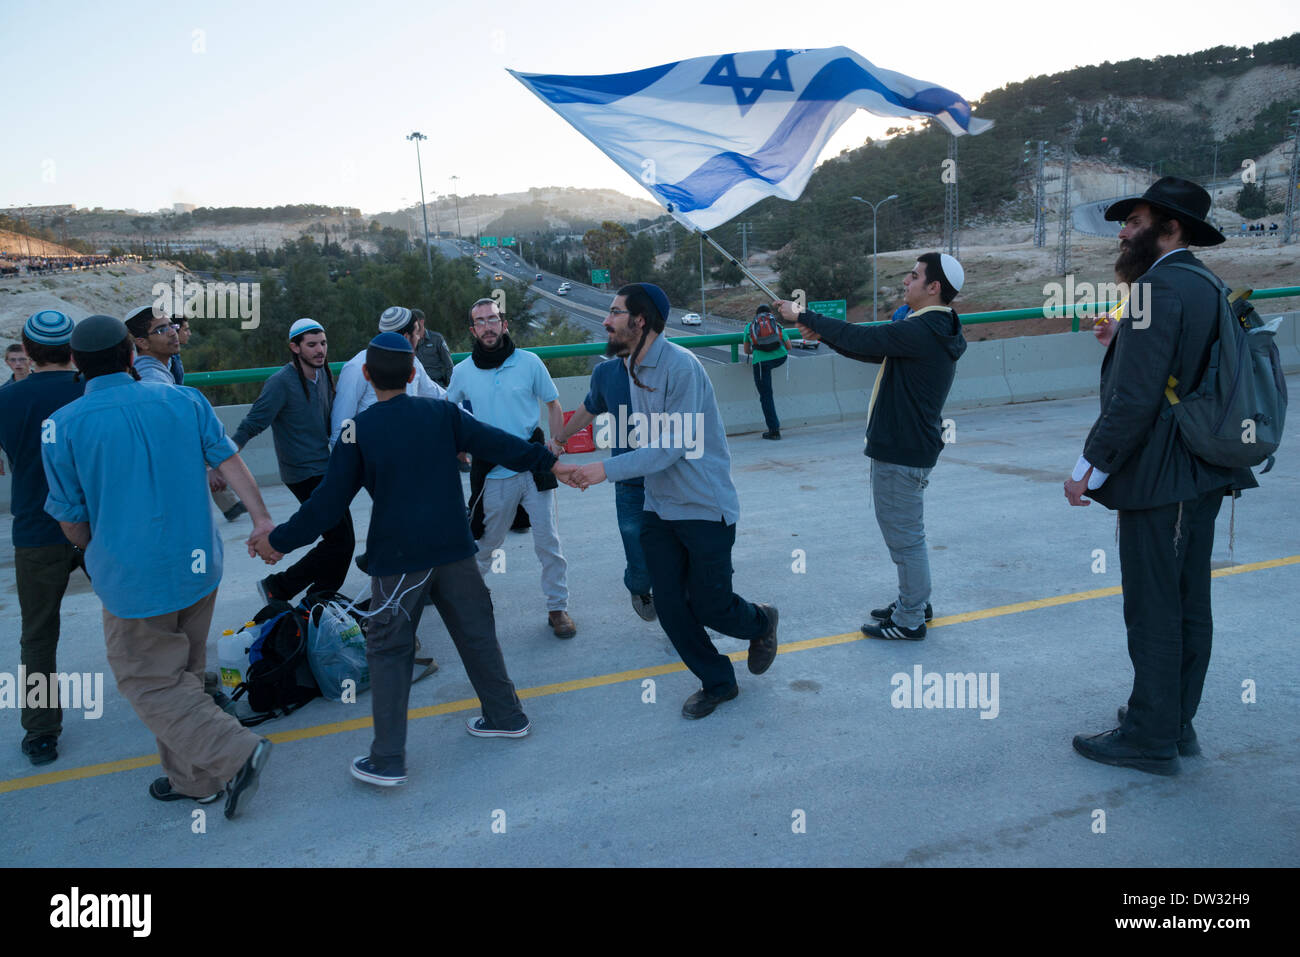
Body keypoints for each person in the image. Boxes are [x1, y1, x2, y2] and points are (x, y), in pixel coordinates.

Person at [250, 333, 578, 786]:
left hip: (399, 561)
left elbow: (326, 505)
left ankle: (387, 760)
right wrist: (551, 462)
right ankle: (506, 716)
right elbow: (500, 444)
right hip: (455, 549)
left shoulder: (357, 430)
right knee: (477, 635)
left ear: (366, 375)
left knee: (388, 652)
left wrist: (278, 541)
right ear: (412, 375)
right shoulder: (442, 413)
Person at [41, 315, 274, 817]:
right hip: (198, 567)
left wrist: (90, 548)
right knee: (183, 674)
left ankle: (234, 752)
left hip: (132, 579)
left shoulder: (62, 425)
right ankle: (194, 780)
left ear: (77, 364)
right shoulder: (185, 400)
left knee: (147, 681)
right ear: (131, 355)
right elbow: (229, 461)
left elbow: (71, 517)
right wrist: (260, 519)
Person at [1066, 177, 1257, 777]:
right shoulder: (1203, 283)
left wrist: (1087, 468)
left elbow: (1134, 399)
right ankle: (1176, 723)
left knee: (1154, 608)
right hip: (1203, 468)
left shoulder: (1155, 288)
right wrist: (1122, 335)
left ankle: (1149, 736)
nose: (1122, 232)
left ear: (1169, 227)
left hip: (1163, 475)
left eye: (1134, 221)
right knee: (1187, 602)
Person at [567, 283, 778, 719]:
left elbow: (670, 447)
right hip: (659, 507)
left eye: (614, 312)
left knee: (710, 605)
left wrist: (601, 470)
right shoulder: (629, 366)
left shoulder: (682, 367)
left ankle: (761, 621)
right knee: (669, 604)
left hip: (704, 506)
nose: (606, 320)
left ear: (639, 321)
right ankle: (718, 682)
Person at [775, 252, 967, 641]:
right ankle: (914, 600)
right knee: (908, 533)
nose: (905, 282)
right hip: (908, 446)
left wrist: (804, 316)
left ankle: (910, 618)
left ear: (933, 288)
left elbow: (865, 337)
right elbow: (871, 348)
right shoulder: (929, 327)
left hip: (901, 449)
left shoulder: (923, 329)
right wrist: (824, 332)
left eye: (913, 276)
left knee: (905, 538)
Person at [447, 298, 576, 639]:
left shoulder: (529, 362)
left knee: (549, 542)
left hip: (534, 464)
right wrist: (460, 448)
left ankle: (557, 608)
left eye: (493, 319)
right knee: (486, 543)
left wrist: (557, 442)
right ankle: (469, 602)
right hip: (492, 471)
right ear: (472, 330)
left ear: (504, 324)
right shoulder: (462, 372)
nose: (488, 326)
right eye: (480, 321)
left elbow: (554, 404)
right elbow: (449, 413)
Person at [0, 311, 85, 765]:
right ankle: (183, 700)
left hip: (35, 530)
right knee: (142, 617)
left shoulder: (7, 400)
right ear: (72, 351)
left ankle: (40, 733)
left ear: (27, 353)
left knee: (37, 636)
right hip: (97, 527)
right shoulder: (90, 390)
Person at [230, 318, 354, 606]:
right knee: (340, 540)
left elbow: (332, 422)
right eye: (311, 345)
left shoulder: (323, 376)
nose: (320, 350)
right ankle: (283, 587)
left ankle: (319, 598)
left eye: (323, 343)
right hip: (302, 473)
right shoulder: (281, 383)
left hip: (326, 468)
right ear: (295, 347)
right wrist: (222, 461)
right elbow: (252, 424)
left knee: (339, 540)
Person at [552, 356, 656, 622]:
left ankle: (679, 604)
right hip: (629, 482)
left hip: (670, 479)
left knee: (678, 552)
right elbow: (589, 408)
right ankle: (639, 587)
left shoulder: (671, 367)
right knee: (640, 559)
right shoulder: (606, 373)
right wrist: (561, 439)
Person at [330, 306, 446, 448]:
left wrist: (469, 416)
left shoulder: (414, 363)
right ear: (405, 337)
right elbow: (342, 424)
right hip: (371, 461)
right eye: (416, 332)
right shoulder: (356, 367)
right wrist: (348, 464)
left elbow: (437, 395)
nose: (420, 336)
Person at [742, 304, 788, 440]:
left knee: (766, 397)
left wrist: (758, 349)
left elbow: (746, 351)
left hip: (761, 364)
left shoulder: (749, 327)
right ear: (770, 314)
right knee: (768, 394)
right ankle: (774, 429)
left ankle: (774, 431)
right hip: (780, 358)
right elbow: (789, 346)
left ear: (756, 315)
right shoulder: (776, 325)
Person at [123, 304, 180, 384]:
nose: (173, 333)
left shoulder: (167, 364)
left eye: (172, 326)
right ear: (142, 343)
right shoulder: (152, 379)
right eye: (162, 330)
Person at [412, 308, 454, 389]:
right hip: (417, 386)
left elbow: (448, 364)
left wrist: (451, 386)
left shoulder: (436, 339)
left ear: (421, 321)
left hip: (437, 384)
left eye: (413, 322)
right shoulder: (409, 340)